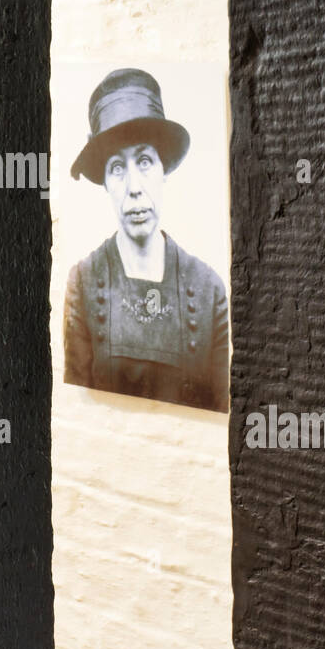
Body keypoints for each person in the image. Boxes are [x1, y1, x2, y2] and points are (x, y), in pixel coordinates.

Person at [63, 68, 229, 412]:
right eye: (117, 168)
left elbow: (221, 418)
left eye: (144, 161)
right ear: (106, 183)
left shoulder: (210, 290)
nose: (134, 187)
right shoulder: (83, 282)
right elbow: (78, 413)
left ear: (163, 170)